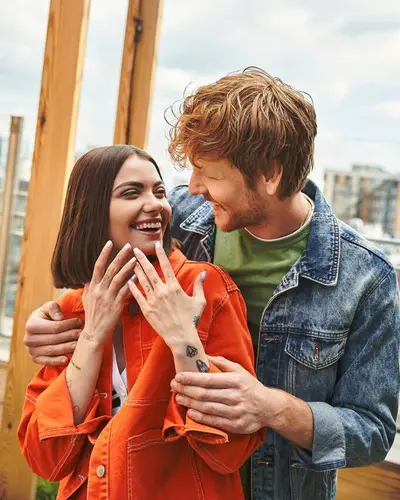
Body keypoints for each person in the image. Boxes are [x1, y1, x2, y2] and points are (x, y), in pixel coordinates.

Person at [23, 69, 400, 500]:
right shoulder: (180, 217)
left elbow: (373, 431)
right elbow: (102, 236)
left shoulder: (366, 278)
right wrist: (56, 317)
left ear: (270, 175)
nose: (194, 188)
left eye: (210, 174)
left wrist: (272, 408)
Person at [18, 145, 264, 500]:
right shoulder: (73, 308)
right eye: (132, 193)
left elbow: (230, 451)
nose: (156, 204)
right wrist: (93, 333)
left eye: (159, 191)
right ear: (91, 211)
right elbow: (46, 459)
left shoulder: (204, 289)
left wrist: (183, 339)